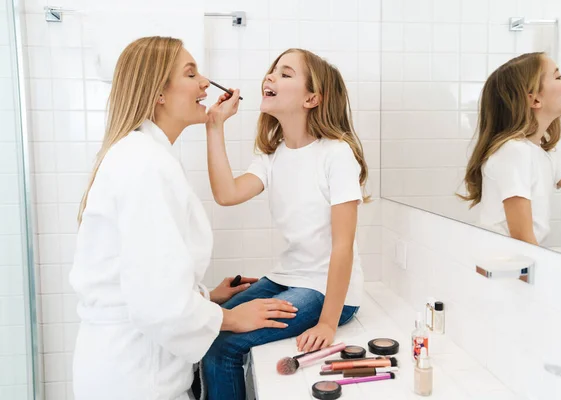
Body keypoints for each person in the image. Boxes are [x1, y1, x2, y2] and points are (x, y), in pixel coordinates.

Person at [69, 36, 297, 400]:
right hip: (134, 378)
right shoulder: (144, 165)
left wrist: (207, 296)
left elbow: (144, 276)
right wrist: (233, 318)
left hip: (130, 367)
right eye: (191, 73)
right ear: (159, 93)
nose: (205, 82)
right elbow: (156, 301)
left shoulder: (144, 154)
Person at [201, 48, 369, 400]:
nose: (270, 77)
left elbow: (343, 245)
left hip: (326, 291)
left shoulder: (336, 155)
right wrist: (214, 126)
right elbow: (227, 194)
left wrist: (327, 321)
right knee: (202, 326)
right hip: (286, 277)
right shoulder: (272, 155)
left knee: (222, 348)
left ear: (312, 98)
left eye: (285, 73)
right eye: (273, 71)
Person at [461, 52, 561, 245]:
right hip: (507, 266)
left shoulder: (542, 155)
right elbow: (523, 241)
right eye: (558, 77)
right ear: (534, 100)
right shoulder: (514, 152)